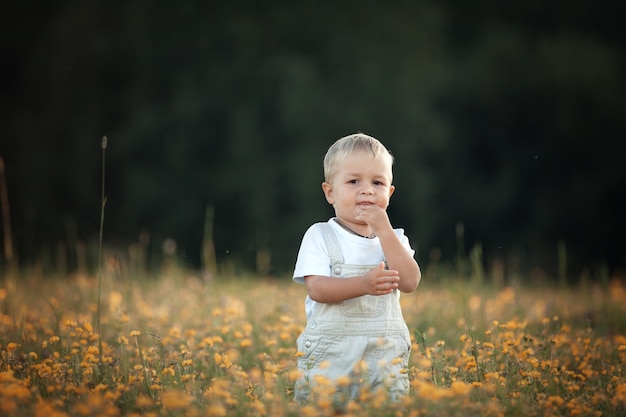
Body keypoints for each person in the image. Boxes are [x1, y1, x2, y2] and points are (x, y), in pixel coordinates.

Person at [292, 133, 421, 407]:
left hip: (384, 355)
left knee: (388, 408)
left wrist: (384, 231)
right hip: (332, 354)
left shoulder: (394, 239)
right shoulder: (321, 235)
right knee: (325, 407)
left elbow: (410, 282)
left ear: (390, 192)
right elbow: (317, 289)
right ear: (330, 192)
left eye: (378, 182)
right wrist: (363, 284)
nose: (367, 190)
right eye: (354, 182)